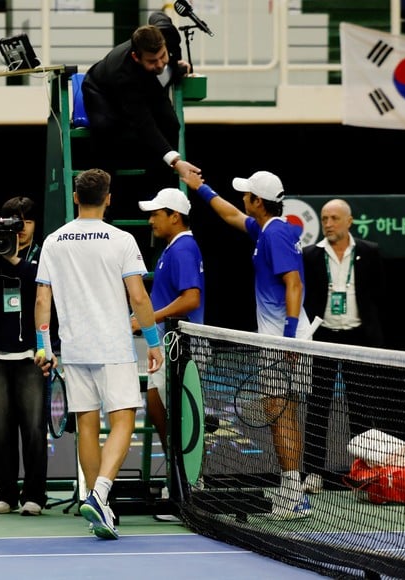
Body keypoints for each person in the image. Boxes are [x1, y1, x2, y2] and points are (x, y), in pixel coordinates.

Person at [34, 168, 164, 540]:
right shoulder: (121, 239)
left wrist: (44, 346)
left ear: (76, 197)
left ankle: (98, 506)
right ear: (109, 198)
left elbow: (43, 298)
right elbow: (138, 297)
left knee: (87, 427)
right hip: (113, 347)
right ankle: (101, 493)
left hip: (74, 349)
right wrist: (153, 342)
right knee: (122, 421)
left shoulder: (54, 241)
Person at [182, 169, 313, 520]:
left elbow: (294, 284)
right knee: (283, 412)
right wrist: (201, 188)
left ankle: (293, 493)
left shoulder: (276, 235)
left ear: (259, 201)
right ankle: (294, 489)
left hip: (283, 342)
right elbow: (230, 215)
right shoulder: (268, 229)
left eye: (247, 195)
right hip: (282, 340)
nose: (243, 198)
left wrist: (287, 339)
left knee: (281, 412)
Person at [300, 199, 387, 495]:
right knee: (318, 406)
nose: (328, 223)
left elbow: (378, 295)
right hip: (323, 338)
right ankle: (312, 472)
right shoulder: (311, 255)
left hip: (357, 339)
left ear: (349, 221)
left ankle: (364, 473)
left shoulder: (369, 252)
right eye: (324, 218)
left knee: (361, 407)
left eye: (334, 218)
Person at [0, 196, 49, 517]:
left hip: (31, 353)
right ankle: (5, 492)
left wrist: (16, 262)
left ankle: (35, 494)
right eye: (11, 223)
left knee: (33, 427)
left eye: (25, 223)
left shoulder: (43, 255)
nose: (18, 231)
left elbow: (42, 291)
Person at [82, 23, 200, 193]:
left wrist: (174, 66)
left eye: (163, 56)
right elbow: (144, 123)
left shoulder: (166, 34)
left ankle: (162, 195)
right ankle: (104, 200)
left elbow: (158, 18)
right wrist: (176, 161)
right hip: (101, 92)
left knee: (171, 124)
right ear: (136, 57)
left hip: (143, 82)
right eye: (152, 61)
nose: (160, 65)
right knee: (106, 130)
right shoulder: (123, 75)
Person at [133, 187, 205, 456]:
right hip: (164, 342)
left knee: (182, 415)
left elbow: (191, 299)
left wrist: (147, 319)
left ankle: (188, 481)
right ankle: (176, 475)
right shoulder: (173, 249)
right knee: (156, 405)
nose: (151, 221)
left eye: (156, 214)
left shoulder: (183, 248)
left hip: (180, 345)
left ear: (174, 216)